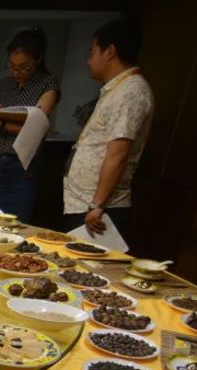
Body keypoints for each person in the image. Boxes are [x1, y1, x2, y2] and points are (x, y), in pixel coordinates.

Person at [62, 20, 152, 239]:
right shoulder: (117, 89)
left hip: (99, 210)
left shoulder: (131, 91)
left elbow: (118, 153)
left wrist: (97, 204)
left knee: (91, 271)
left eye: (92, 52)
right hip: (85, 204)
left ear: (110, 51)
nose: (88, 60)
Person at [0, 27, 60, 222]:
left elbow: (36, 126)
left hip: (22, 164)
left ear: (38, 59)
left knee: (14, 223)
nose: (17, 72)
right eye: (12, 66)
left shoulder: (48, 84)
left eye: (23, 67)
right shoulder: (5, 84)